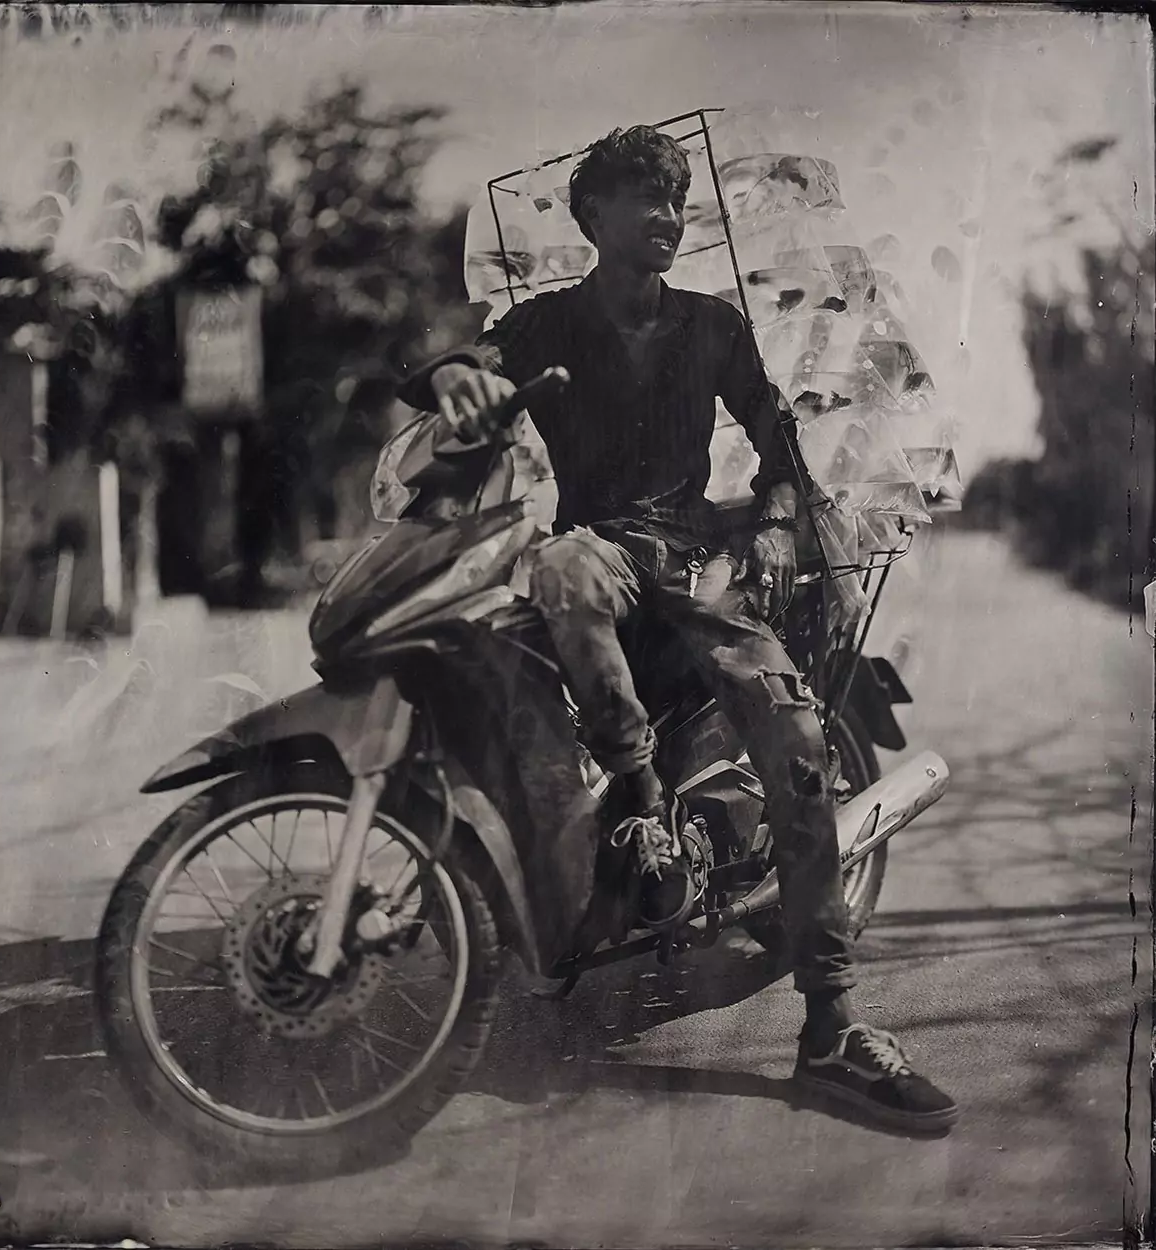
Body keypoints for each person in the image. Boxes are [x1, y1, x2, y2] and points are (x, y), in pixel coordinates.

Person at [398, 125, 957, 1133]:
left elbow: (775, 432)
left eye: (675, 197)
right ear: (591, 219)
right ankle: (639, 803)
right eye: (642, 196)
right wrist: (456, 381)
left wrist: (781, 517)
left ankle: (831, 1023)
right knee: (556, 572)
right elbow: (459, 363)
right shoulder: (546, 323)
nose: (665, 214)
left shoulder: (712, 324)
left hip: (696, 559)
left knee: (787, 732)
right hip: (597, 553)